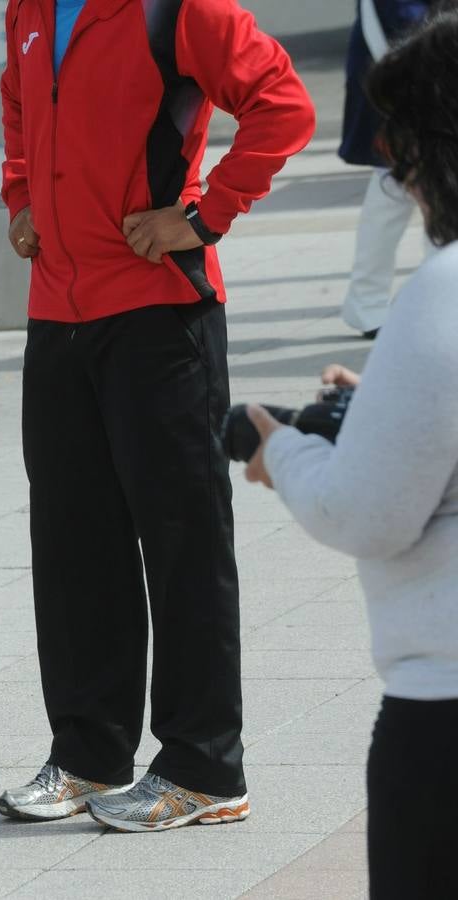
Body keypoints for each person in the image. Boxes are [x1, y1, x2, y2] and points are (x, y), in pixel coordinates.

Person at [0, 0, 315, 831]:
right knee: (72, 544)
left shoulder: (180, 8)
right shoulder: (28, 8)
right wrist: (21, 193)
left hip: (160, 311)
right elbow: (21, 104)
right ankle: (88, 756)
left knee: (184, 542)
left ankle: (205, 769)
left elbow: (285, 106)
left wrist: (207, 215)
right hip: (57, 314)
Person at [244, 10, 458, 894]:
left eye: (400, 159)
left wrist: (282, 447)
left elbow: (366, 512)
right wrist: (382, 413)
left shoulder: (443, 294)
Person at [338, 0, 435, 339]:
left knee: (392, 195)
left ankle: (369, 304)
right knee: (422, 194)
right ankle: (374, 305)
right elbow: (407, 21)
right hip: (411, 87)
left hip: (407, 84)